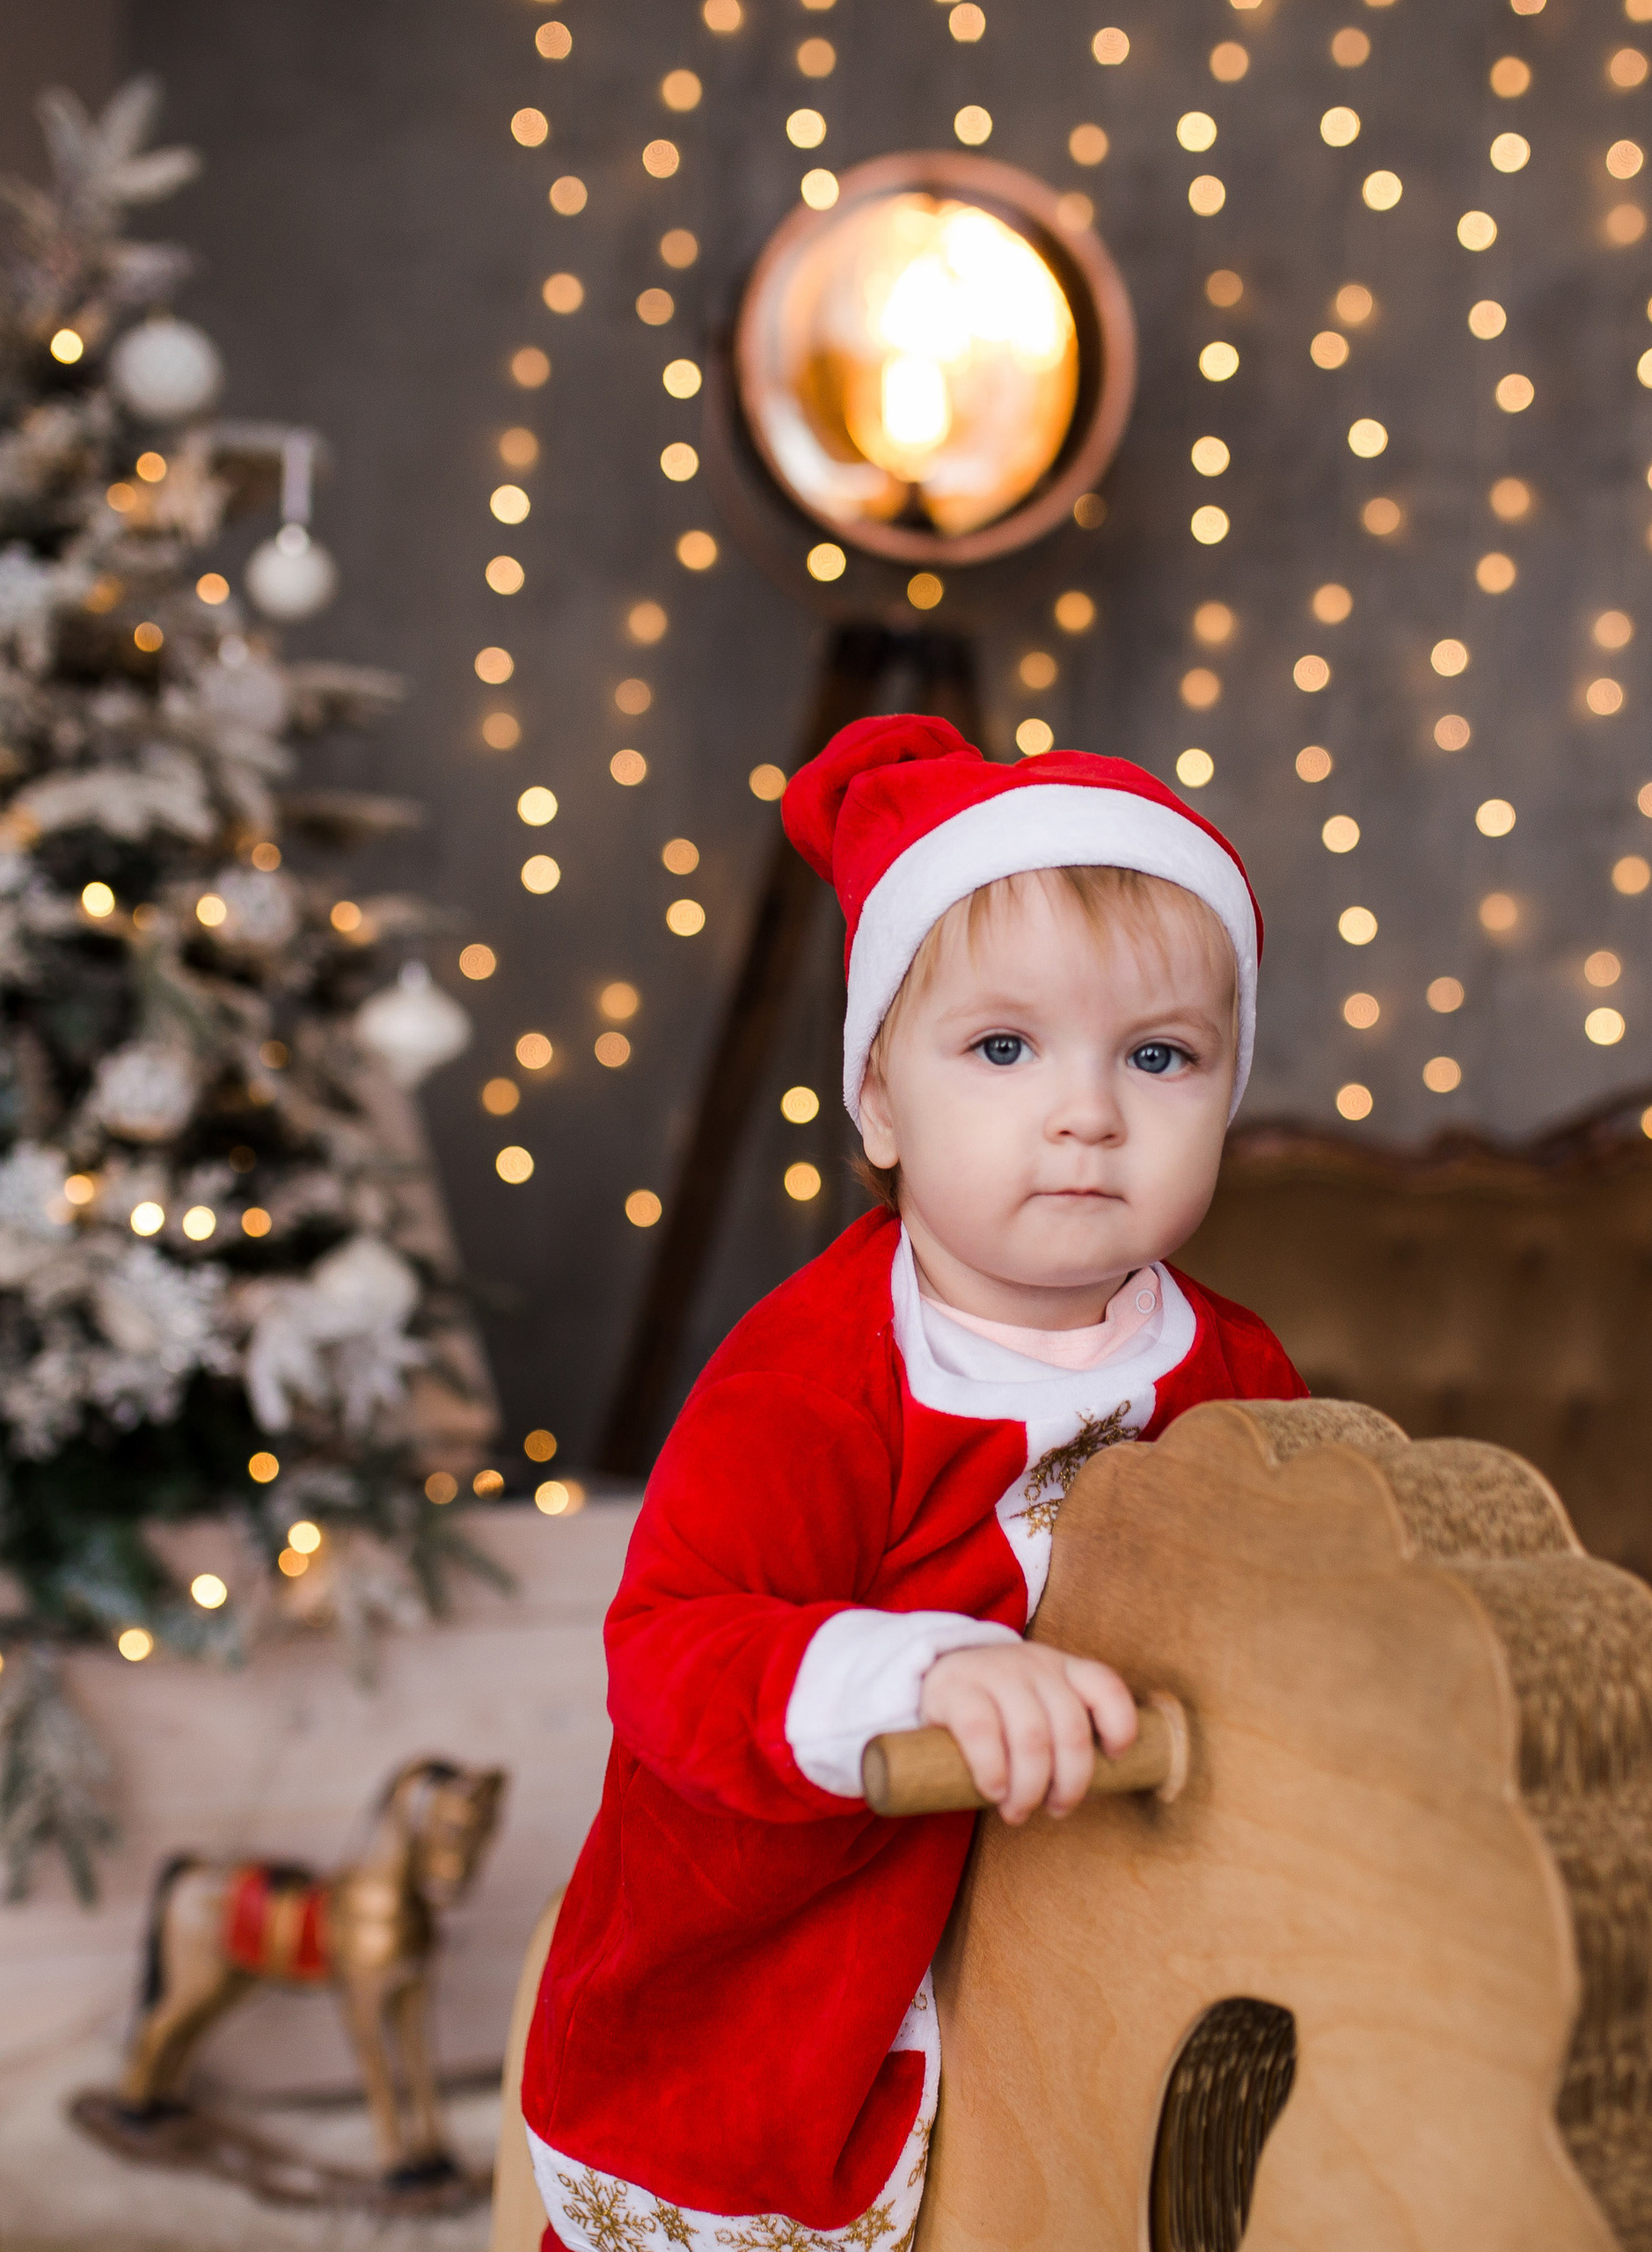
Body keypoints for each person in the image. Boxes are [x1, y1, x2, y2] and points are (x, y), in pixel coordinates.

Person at [523, 714, 1306, 2251]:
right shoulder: (816, 1372)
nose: (1087, 1111)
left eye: (1159, 1056)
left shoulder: (1235, 1367)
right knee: (739, 2167)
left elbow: (1307, 1587)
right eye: (1004, 1049)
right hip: (802, 1935)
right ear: (881, 1104)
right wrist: (916, 1668)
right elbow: (670, 1652)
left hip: (1089, 1895)